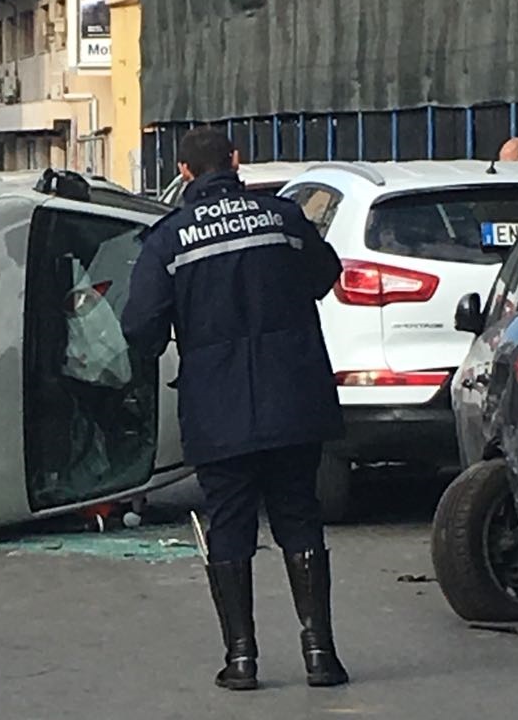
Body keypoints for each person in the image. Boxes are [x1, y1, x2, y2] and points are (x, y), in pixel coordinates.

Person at [121, 127, 348, 691]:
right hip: (294, 395)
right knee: (299, 516)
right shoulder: (283, 219)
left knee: (228, 523)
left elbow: (140, 325)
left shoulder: (170, 239)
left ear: (184, 172)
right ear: (237, 162)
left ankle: (241, 660)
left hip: (217, 405)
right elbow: (326, 275)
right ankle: (320, 655)